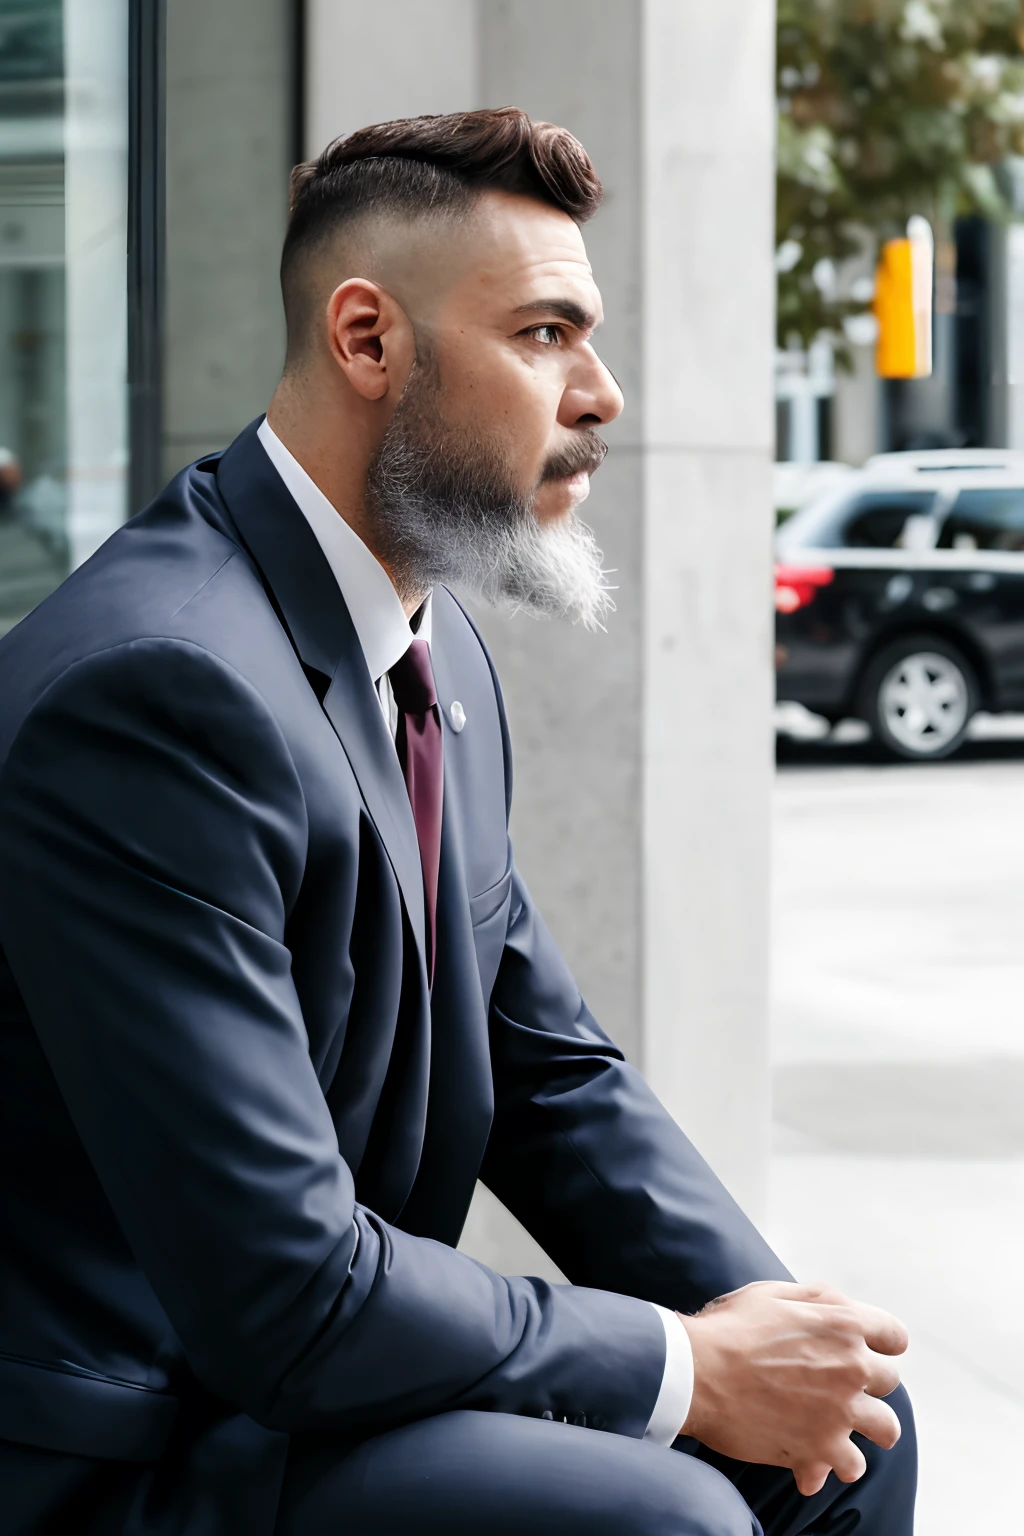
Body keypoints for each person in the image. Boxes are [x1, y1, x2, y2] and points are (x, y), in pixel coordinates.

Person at [0, 108, 916, 1535]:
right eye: (546, 335)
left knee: (856, 1433)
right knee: (672, 1520)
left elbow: (550, 1073)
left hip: (305, 1374)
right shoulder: (158, 692)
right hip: (142, 1438)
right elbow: (281, 1287)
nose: (601, 393)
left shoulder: (432, 655)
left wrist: (773, 1331)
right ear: (367, 342)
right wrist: (687, 1366)